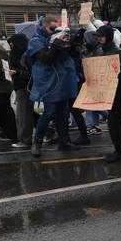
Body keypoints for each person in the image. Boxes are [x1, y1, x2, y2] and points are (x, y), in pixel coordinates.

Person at [26, 17, 80, 156]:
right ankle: (37, 142)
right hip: (48, 82)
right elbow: (45, 58)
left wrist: (72, 43)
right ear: (43, 26)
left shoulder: (60, 37)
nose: (54, 32)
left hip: (63, 80)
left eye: (56, 29)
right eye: (52, 29)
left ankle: (64, 141)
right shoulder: (36, 41)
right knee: (49, 112)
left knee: (63, 112)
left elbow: (74, 55)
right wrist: (55, 47)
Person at [94, 25, 121, 163]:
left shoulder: (118, 52)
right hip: (107, 91)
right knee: (119, 123)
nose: (100, 38)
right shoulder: (100, 51)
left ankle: (119, 151)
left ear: (108, 36)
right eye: (98, 36)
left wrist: (120, 72)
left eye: (102, 35)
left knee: (114, 123)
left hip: (117, 94)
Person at [7, 33, 32, 147]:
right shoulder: (15, 53)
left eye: (12, 42)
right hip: (19, 85)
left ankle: (24, 139)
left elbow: (29, 72)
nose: (10, 44)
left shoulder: (25, 54)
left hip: (24, 86)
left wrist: (16, 72)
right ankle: (48, 131)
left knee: (23, 114)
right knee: (26, 112)